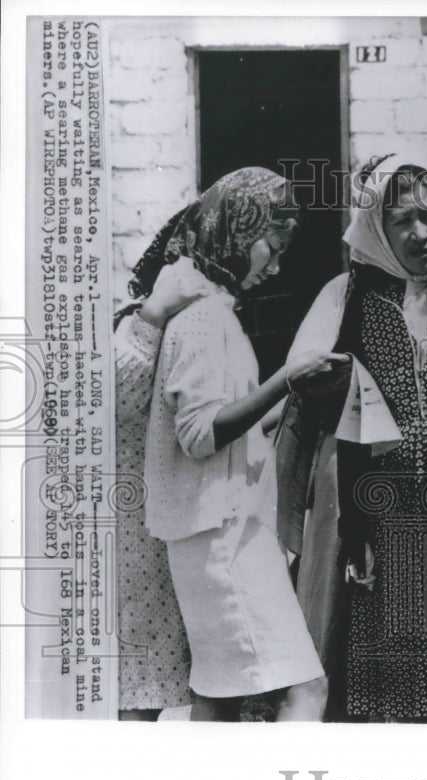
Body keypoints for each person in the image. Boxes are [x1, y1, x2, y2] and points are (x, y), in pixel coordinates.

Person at [282, 154, 427, 722]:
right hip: (390, 505)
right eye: (401, 221)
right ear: (378, 228)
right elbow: (350, 424)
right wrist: (357, 530)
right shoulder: (355, 299)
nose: (421, 233)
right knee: (397, 657)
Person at [141, 167, 338, 721]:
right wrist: (287, 378)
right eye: (270, 248)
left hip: (211, 533)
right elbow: (201, 436)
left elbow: (222, 428)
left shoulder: (210, 312)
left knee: (218, 701)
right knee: (306, 688)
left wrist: (296, 400)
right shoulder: (205, 320)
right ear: (235, 232)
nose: (274, 266)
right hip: (222, 538)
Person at [114, 261, 212, 720]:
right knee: (134, 692)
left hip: (168, 518)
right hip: (130, 526)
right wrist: (152, 315)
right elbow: (117, 397)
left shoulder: (206, 315)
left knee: (150, 693)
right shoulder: (139, 318)